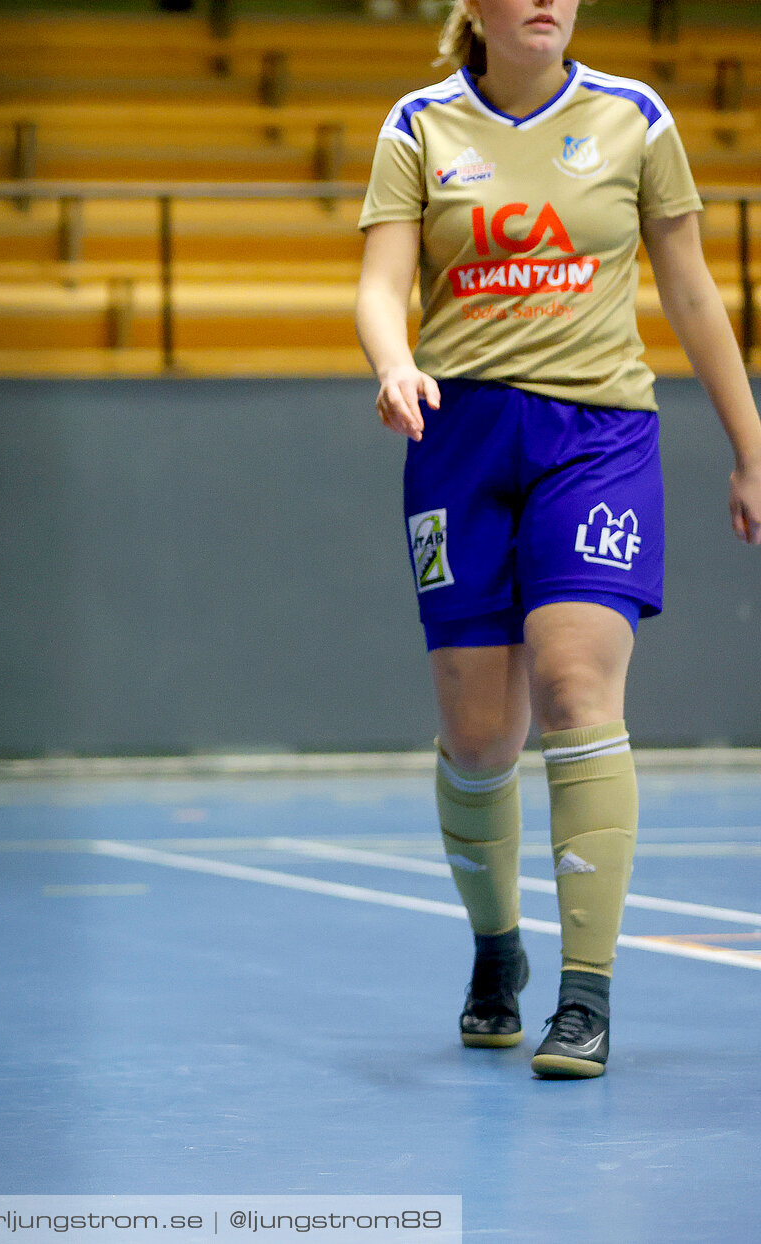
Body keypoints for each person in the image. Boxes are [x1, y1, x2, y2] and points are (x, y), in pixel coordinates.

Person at [355, 0, 761, 1078]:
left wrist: (750, 440)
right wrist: (394, 362)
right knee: (482, 735)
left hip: (598, 436)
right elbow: (382, 281)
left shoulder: (635, 118)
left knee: (579, 689)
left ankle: (588, 993)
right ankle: (499, 949)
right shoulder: (420, 124)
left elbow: (688, 286)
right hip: (461, 438)